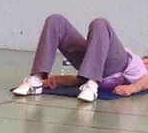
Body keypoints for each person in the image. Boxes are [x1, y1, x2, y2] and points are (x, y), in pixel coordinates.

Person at [11, 14, 148, 102]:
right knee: (56, 20)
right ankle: (36, 79)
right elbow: (81, 78)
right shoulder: (136, 61)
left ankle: (92, 84)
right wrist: (55, 79)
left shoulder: (142, 76)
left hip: (114, 67)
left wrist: (133, 88)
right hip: (106, 58)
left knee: (101, 23)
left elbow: (80, 80)